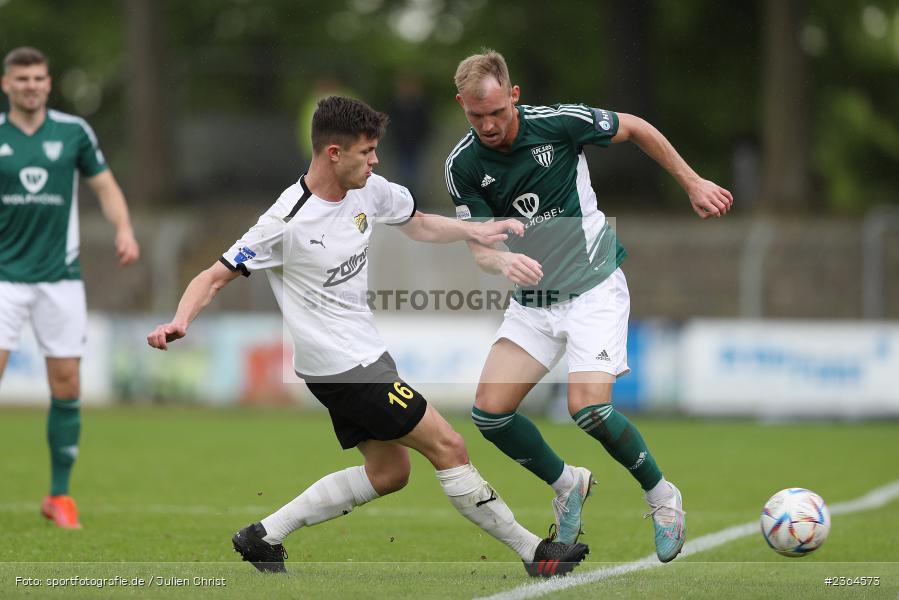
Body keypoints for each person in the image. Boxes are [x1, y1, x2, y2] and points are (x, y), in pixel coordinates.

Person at [147, 96, 589, 577]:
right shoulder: (285, 221)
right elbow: (212, 277)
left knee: (390, 473)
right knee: (449, 446)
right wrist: (180, 320)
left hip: (364, 358)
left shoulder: (369, 190)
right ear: (333, 152)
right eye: (367, 151)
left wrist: (478, 231)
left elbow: (418, 224)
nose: (376, 160)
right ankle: (535, 553)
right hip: (342, 369)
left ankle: (262, 536)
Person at [444, 49, 733, 562]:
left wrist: (692, 181)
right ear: (461, 105)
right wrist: (500, 263)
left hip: (593, 288)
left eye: (496, 111)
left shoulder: (559, 124)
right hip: (534, 301)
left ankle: (663, 496)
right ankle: (567, 483)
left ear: (514, 96)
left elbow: (637, 127)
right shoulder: (463, 165)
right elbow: (479, 244)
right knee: (489, 414)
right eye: (475, 115)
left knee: (589, 409)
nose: (487, 124)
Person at [0, 47, 140, 529]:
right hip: (4, 279)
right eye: (22, 79)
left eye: (39, 77)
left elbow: (105, 186)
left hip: (60, 280)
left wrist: (123, 229)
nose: (31, 85)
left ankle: (59, 496)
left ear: (49, 82)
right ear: (6, 85)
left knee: (67, 385)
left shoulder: (73, 132)